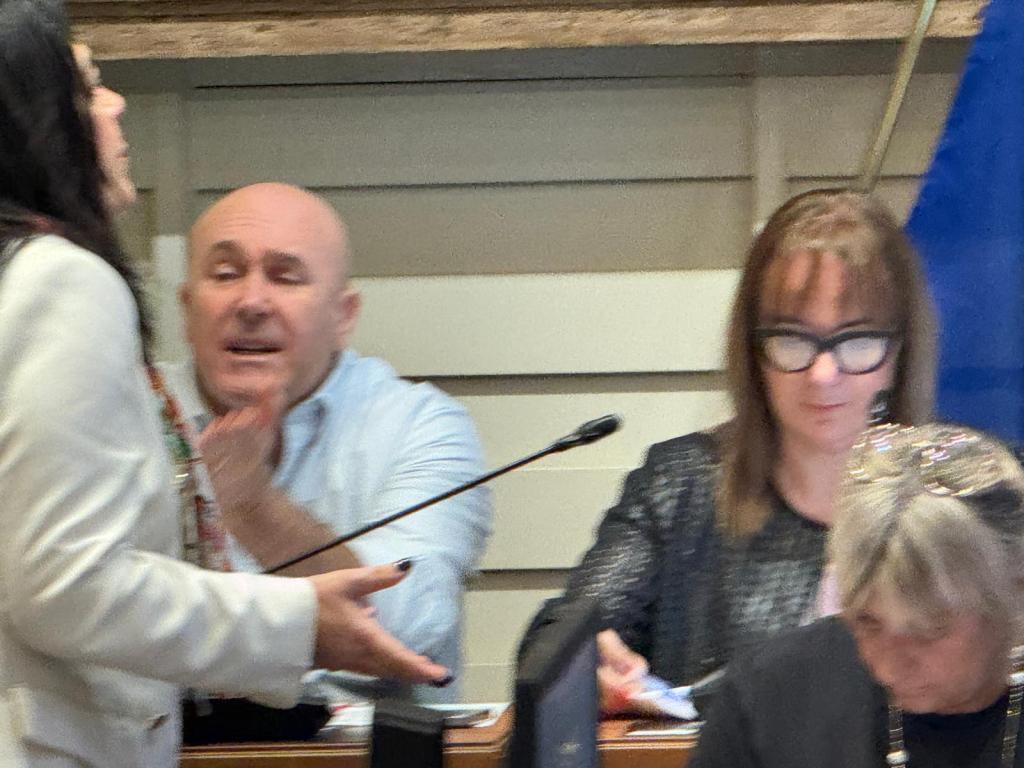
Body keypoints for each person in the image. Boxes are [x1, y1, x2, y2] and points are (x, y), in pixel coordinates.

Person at [0, 3, 449, 765]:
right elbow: (66, 584)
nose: (116, 104)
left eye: (286, 276)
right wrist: (294, 622)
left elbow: (419, 620)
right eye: (89, 87)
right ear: (35, 122)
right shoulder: (61, 280)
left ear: (343, 314)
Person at [520, 188, 937, 715]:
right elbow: (555, 641)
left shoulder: (969, 491)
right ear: (753, 349)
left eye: (857, 341)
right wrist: (585, 663)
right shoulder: (681, 484)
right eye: (792, 339)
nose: (823, 374)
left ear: (899, 350)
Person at [160, 182, 492, 701]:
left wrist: (256, 508)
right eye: (225, 274)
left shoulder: (420, 425)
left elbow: (406, 626)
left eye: (285, 277)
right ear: (186, 308)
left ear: (344, 315)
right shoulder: (126, 414)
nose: (251, 302)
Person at [691, 422, 1024, 768]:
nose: (889, 668)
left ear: (1014, 595)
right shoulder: (769, 700)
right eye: (868, 622)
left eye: (928, 630)